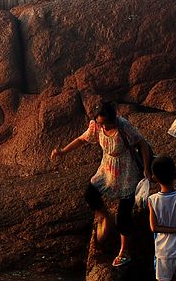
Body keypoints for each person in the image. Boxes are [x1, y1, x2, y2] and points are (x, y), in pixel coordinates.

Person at [50, 100, 152, 267]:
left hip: (127, 171)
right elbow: (81, 139)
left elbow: (142, 143)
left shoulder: (123, 126)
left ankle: (124, 251)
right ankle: (105, 216)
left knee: (124, 215)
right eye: (99, 122)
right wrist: (62, 151)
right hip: (107, 168)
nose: (102, 126)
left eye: (105, 123)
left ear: (113, 119)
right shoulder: (96, 126)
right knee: (90, 193)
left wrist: (147, 169)